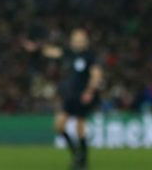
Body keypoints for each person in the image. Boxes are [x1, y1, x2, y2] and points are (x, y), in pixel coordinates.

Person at [23, 28, 103, 170]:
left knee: (80, 126)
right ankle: (77, 155)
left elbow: (96, 74)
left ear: (86, 42)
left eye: (80, 40)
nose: (77, 43)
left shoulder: (90, 56)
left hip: (83, 95)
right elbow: (51, 52)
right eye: (75, 40)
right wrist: (36, 47)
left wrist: (89, 92)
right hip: (71, 95)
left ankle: (82, 160)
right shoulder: (69, 53)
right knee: (59, 126)